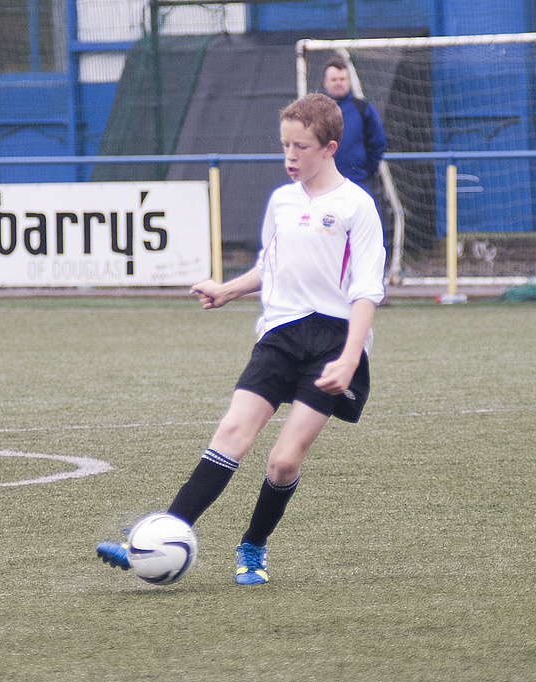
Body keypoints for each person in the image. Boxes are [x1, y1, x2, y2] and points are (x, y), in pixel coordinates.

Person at [97, 93, 386, 585]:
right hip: (279, 335)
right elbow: (268, 267)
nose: (290, 156)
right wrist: (227, 289)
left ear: (330, 147)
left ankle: (253, 546)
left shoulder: (357, 206)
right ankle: (159, 537)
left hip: (334, 343)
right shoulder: (281, 201)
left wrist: (350, 356)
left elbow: (366, 291)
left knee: (283, 459)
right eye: (284, 146)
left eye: (301, 147)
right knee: (231, 433)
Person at [322, 56, 387, 195]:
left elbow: (378, 142)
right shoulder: (317, 109)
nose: (338, 83)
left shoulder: (363, 107)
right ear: (325, 82)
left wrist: (367, 171)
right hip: (324, 183)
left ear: (349, 81)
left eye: (342, 79)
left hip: (358, 182)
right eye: (334, 80)